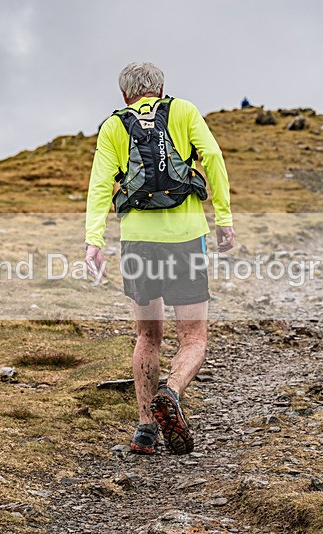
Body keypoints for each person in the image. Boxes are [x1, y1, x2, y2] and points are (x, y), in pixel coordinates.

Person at [85, 62, 234, 455]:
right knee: (194, 336)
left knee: (147, 335)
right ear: (162, 89)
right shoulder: (183, 111)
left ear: (124, 96)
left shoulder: (113, 126)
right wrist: (224, 219)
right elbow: (213, 159)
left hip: (138, 243)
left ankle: (145, 430)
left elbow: (101, 185)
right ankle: (172, 390)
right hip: (186, 241)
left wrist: (93, 242)